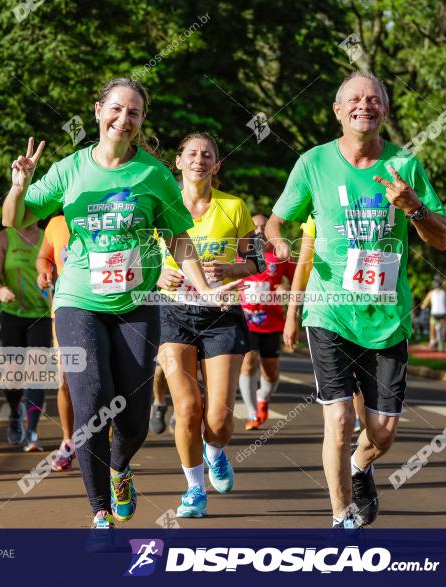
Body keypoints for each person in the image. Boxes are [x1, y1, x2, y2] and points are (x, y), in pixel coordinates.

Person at [2, 78, 240, 529]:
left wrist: (205, 290)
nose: (122, 119)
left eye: (133, 113)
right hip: (79, 301)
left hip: (137, 305)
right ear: (98, 111)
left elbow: (179, 239)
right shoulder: (70, 170)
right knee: (90, 398)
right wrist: (20, 185)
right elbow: (13, 219)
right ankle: (99, 512)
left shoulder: (152, 175)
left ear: (140, 121)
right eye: (115, 109)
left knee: (133, 419)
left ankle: (120, 467)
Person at [266, 71, 446, 528]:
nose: (363, 106)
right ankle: (340, 515)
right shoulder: (312, 163)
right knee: (339, 420)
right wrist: (280, 242)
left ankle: (360, 465)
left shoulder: (405, 166)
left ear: (385, 111)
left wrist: (413, 207)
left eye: (373, 100)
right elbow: (274, 221)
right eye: (353, 99)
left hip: (387, 317)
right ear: (337, 110)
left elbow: (442, 239)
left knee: (382, 433)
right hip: (329, 310)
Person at [157, 132, 259, 518]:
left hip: (221, 314)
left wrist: (232, 267)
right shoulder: (162, 205)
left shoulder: (234, 207)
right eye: (192, 154)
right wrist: (155, 277)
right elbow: (136, 259)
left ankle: (215, 453)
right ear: (178, 162)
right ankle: (194, 490)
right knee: (186, 407)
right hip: (172, 313)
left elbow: (257, 263)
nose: (199, 160)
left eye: (208, 155)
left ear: (216, 166)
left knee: (218, 417)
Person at [284, 217, 367, 434]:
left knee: (372, 410)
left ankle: (362, 458)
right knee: (340, 409)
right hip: (326, 313)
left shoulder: (374, 207)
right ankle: (344, 433)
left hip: (369, 314)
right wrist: (292, 314)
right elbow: (303, 267)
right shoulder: (319, 211)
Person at [0, 223, 52, 452]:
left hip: (41, 315)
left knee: (36, 374)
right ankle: (15, 412)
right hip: (12, 314)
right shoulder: (4, 239)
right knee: (13, 376)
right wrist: (0, 290)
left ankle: (32, 431)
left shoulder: (47, 236)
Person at [238, 214, 295, 430]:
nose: (260, 231)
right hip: (245, 320)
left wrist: (285, 288)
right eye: (255, 227)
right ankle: (253, 413)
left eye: (264, 227)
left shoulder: (279, 255)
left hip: (271, 321)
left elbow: (297, 277)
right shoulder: (238, 254)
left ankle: (263, 397)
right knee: (248, 362)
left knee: (270, 370)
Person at [36, 214, 75, 470]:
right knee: (65, 379)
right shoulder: (56, 223)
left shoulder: (108, 215)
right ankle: (68, 442)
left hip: (107, 310)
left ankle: (107, 445)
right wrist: (44, 272)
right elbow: (44, 257)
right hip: (64, 309)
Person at [421, 279, 446, 351]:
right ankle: (442, 342)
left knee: (432, 326)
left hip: (434, 314)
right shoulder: (445, 293)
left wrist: (423, 307)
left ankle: (432, 340)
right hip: (443, 314)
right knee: (443, 328)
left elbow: (424, 304)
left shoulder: (431, 293)